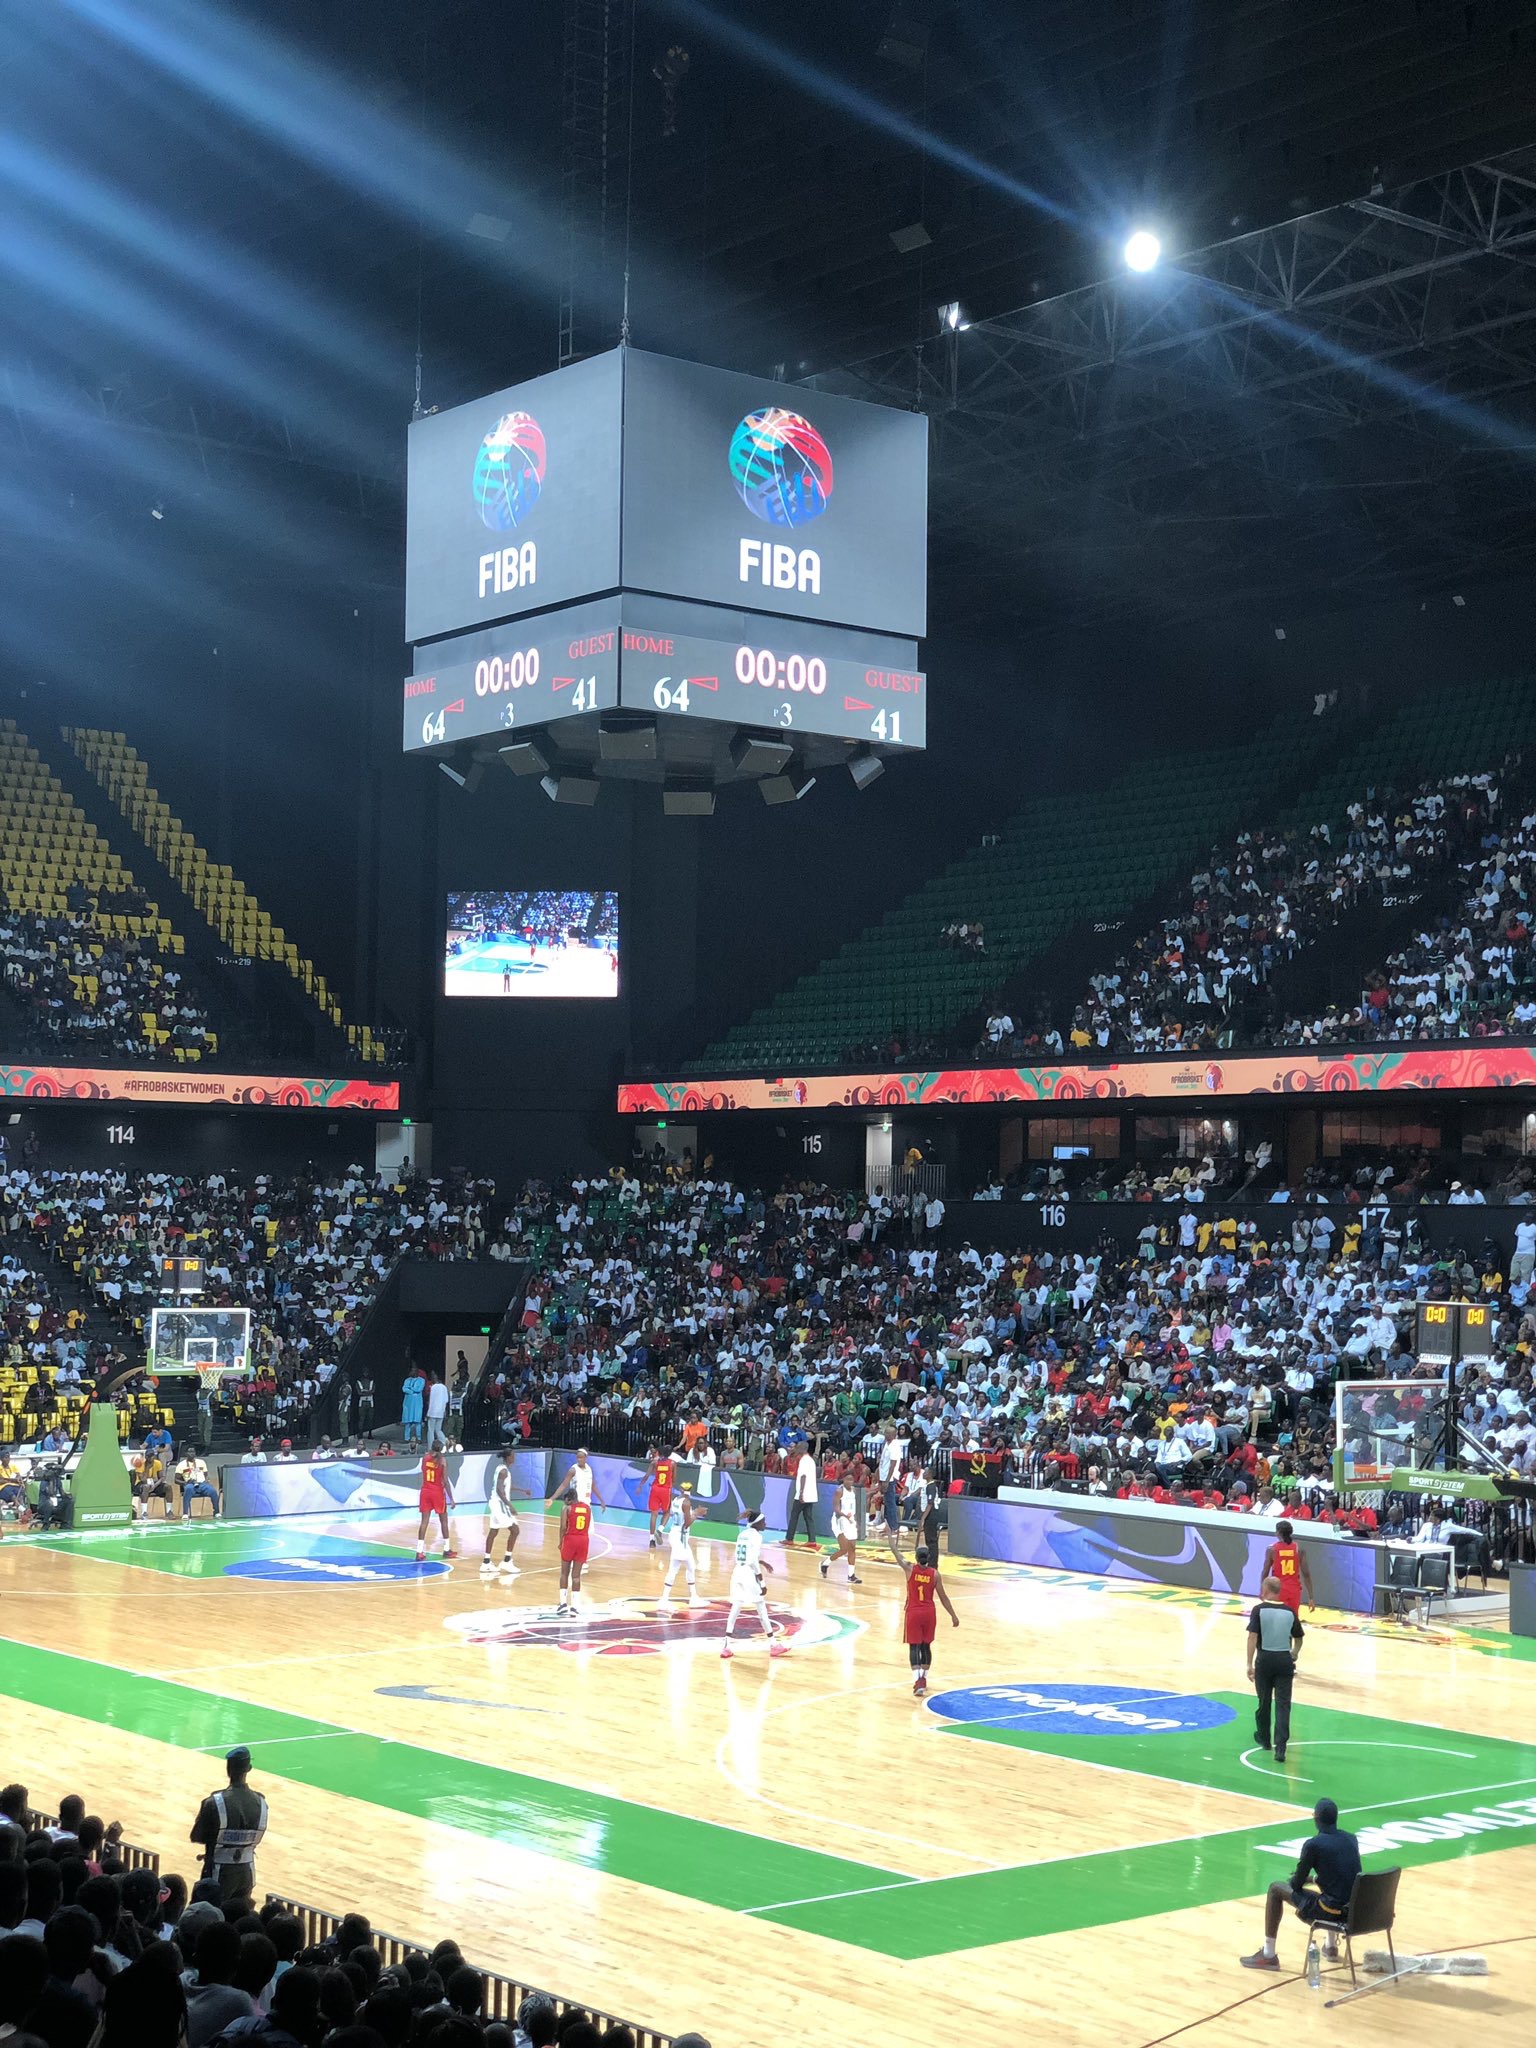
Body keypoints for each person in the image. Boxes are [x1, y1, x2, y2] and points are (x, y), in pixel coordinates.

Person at [1241, 1796, 1362, 1970]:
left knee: (1276, 1889)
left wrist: (1297, 1879)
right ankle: (1331, 1946)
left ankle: (1268, 1955)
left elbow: (1296, 1885)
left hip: (1331, 1912)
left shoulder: (1313, 1845)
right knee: (1332, 1890)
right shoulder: (1351, 1839)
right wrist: (1313, 1879)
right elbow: (1342, 1877)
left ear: (1316, 1819)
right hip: (1353, 1911)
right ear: (1336, 1818)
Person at [190, 1747, 268, 1905]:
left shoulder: (214, 1802)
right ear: (249, 1769)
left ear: (228, 1769)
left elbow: (196, 1836)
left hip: (218, 1873)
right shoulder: (261, 1802)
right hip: (247, 1871)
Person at [1247, 1572, 1305, 1762]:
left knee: (1264, 1701)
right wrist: (1294, 1654)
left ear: (1265, 1590)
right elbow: (1299, 1638)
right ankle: (1281, 1748)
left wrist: (1249, 1663)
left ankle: (1264, 1738)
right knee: (1283, 1705)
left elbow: (1252, 1637)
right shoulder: (1290, 1612)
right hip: (1284, 1661)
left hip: (1264, 1660)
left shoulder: (1258, 1610)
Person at [889, 1540, 958, 1695]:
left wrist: (888, 1535)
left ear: (916, 1557)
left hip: (913, 1612)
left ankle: (917, 1680)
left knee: (914, 1646)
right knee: (926, 1646)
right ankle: (924, 1678)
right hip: (929, 1613)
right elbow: (944, 1597)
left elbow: (895, 1552)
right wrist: (953, 1615)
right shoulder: (934, 1574)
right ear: (928, 1557)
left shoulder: (909, 1569)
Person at [721, 1509, 787, 1660]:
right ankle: (773, 1645)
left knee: (735, 1608)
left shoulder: (742, 1534)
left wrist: (761, 1561)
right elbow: (751, 1561)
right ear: (757, 1523)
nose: (766, 1524)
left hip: (737, 1572)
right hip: (748, 1575)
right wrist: (761, 1581)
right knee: (761, 1609)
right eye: (763, 1522)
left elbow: (745, 1556)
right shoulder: (757, 1536)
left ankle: (726, 1646)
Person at [657, 1484, 701, 1611]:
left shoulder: (676, 1500)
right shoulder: (686, 1503)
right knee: (675, 1568)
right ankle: (664, 1598)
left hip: (676, 1535)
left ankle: (693, 1597)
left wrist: (660, 1529)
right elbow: (687, 1524)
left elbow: (670, 1514)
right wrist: (697, 1513)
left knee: (691, 1566)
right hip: (680, 1538)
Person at [481, 1448, 521, 1580]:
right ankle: (507, 1561)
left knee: (493, 1532)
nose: (514, 1457)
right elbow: (499, 1490)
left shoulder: (501, 1468)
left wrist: (522, 1490)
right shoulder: (503, 1471)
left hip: (495, 1504)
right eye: (513, 1455)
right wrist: (510, 1506)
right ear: (508, 1457)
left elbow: (505, 1487)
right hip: (499, 1505)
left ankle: (486, 1562)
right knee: (515, 1530)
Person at [1262, 1518, 1314, 1615]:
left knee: (1277, 1618)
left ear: (1278, 1533)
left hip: (1278, 1589)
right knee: (1292, 1619)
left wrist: (1262, 1590)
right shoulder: (1299, 1549)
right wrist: (1311, 1597)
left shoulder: (1272, 1549)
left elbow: (1265, 1572)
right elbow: (1306, 1574)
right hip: (1294, 1590)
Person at [415, 1446, 457, 1562]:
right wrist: (451, 1498)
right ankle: (447, 1549)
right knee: (443, 1521)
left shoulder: (425, 1458)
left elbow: (425, 1470)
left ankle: (419, 1552)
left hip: (425, 1491)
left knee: (424, 1522)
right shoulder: (442, 1461)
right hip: (437, 1492)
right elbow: (446, 1481)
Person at [820, 1476, 862, 1583]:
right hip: (839, 1521)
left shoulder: (854, 1491)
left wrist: (855, 1521)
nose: (850, 1481)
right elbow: (836, 1509)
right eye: (847, 1479)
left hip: (850, 1520)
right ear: (843, 1480)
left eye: (851, 1479)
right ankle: (825, 1563)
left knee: (852, 1548)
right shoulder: (839, 1491)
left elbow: (853, 1508)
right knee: (844, 1549)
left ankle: (851, 1575)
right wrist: (845, 1516)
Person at [557, 1488, 592, 1615]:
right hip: (583, 1541)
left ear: (568, 1499)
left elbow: (563, 1527)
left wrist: (561, 1542)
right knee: (576, 1576)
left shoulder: (567, 1508)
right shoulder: (587, 1508)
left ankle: (563, 1604)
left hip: (570, 1540)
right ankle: (575, 1607)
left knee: (564, 1573)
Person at [785, 1440, 818, 1547]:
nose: (796, 1449)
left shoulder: (804, 1460)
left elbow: (803, 1476)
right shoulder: (811, 1460)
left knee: (794, 1515)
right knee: (808, 1517)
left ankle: (789, 1538)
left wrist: (801, 1492)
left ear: (803, 1448)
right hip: (811, 1494)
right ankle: (812, 1540)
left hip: (803, 1494)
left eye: (798, 1447)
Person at [646, 1445, 675, 1549]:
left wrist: (640, 1485)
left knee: (654, 1514)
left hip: (655, 1488)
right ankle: (660, 1530)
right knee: (667, 1511)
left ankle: (651, 1540)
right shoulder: (672, 1463)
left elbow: (647, 1476)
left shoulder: (655, 1462)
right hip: (665, 1489)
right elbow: (673, 1479)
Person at [423, 1371, 449, 1452]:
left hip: (433, 1412)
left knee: (430, 1430)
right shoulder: (444, 1387)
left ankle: (430, 1448)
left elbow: (432, 1401)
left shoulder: (433, 1387)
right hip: (441, 1412)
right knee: (438, 1430)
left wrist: (428, 1413)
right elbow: (446, 1400)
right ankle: (445, 1444)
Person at [400, 1366, 425, 1447]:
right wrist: (413, 1390)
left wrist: (410, 1388)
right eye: (411, 1371)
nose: (412, 1372)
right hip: (408, 1403)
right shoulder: (407, 1380)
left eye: (414, 1371)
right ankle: (406, 1438)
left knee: (418, 1421)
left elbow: (419, 1389)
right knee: (408, 1422)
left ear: (417, 1372)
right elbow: (404, 1389)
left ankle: (419, 1438)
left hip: (417, 1404)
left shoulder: (421, 1380)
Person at [355, 1372, 374, 1439]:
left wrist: (364, 1391)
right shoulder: (359, 1382)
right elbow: (359, 1393)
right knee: (362, 1418)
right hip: (366, 1401)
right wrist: (368, 1392)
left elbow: (373, 1391)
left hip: (367, 1401)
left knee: (370, 1418)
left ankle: (369, 1434)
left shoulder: (371, 1381)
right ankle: (361, 1434)